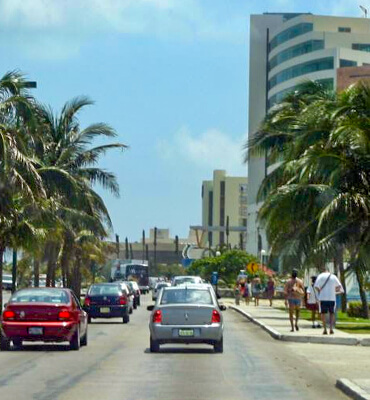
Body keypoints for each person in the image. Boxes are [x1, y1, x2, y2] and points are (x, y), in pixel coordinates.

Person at [314, 269, 343, 335]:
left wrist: (320, 291)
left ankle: (324, 329)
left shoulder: (320, 276)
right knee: (332, 313)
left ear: (323, 271)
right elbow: (339, 286)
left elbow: (316, 286)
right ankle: (331, 329)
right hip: (332, 298)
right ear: (329, 271)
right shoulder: (333, 276)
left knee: (323, 313)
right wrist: (333, 290)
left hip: (323, 298)